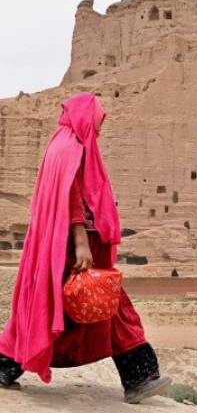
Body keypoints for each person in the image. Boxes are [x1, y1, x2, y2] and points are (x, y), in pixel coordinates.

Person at [0, 92, 171, 404]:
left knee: (47, 304)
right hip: (71, 247)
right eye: (98, 120)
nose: (100, 127)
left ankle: (4, 366)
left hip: (60, 245)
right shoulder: (72, 147)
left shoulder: (60, 145)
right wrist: (81, 243)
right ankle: (139, 377)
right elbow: (71, 196)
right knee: (111, 304)